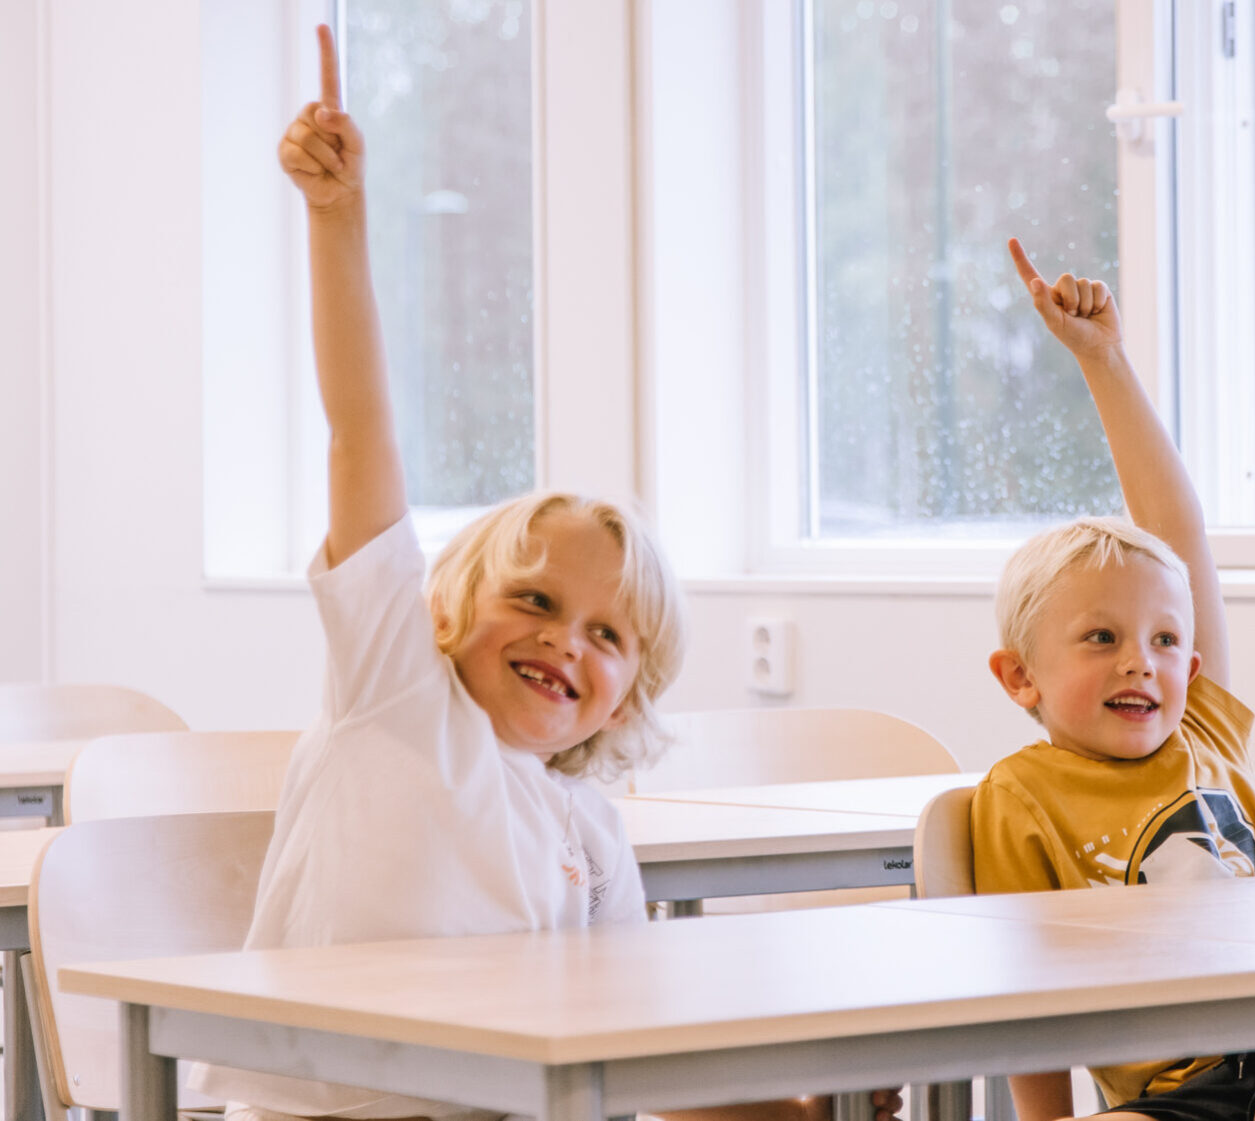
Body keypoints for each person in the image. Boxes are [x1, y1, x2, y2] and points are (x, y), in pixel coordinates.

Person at [190, 27, 892, 1121]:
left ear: (629, 695)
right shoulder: (394, 697)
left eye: (609, 636)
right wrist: (338, 218)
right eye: (535, 600)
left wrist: (796, 1112)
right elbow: (360, 431)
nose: (566, 639)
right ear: (442, 609)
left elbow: (629, 1054)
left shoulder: (587, 833)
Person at [972, 239, 1255, 1121]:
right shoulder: (1019, 795)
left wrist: (1107, 360)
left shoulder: (1204, 731)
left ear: (1194, 666)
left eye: (1167, 640)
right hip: (1188, 1093)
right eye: (1101, 637)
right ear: (1019, 676)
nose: (1141, 659)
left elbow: (1179, 530)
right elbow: (1026, 988)